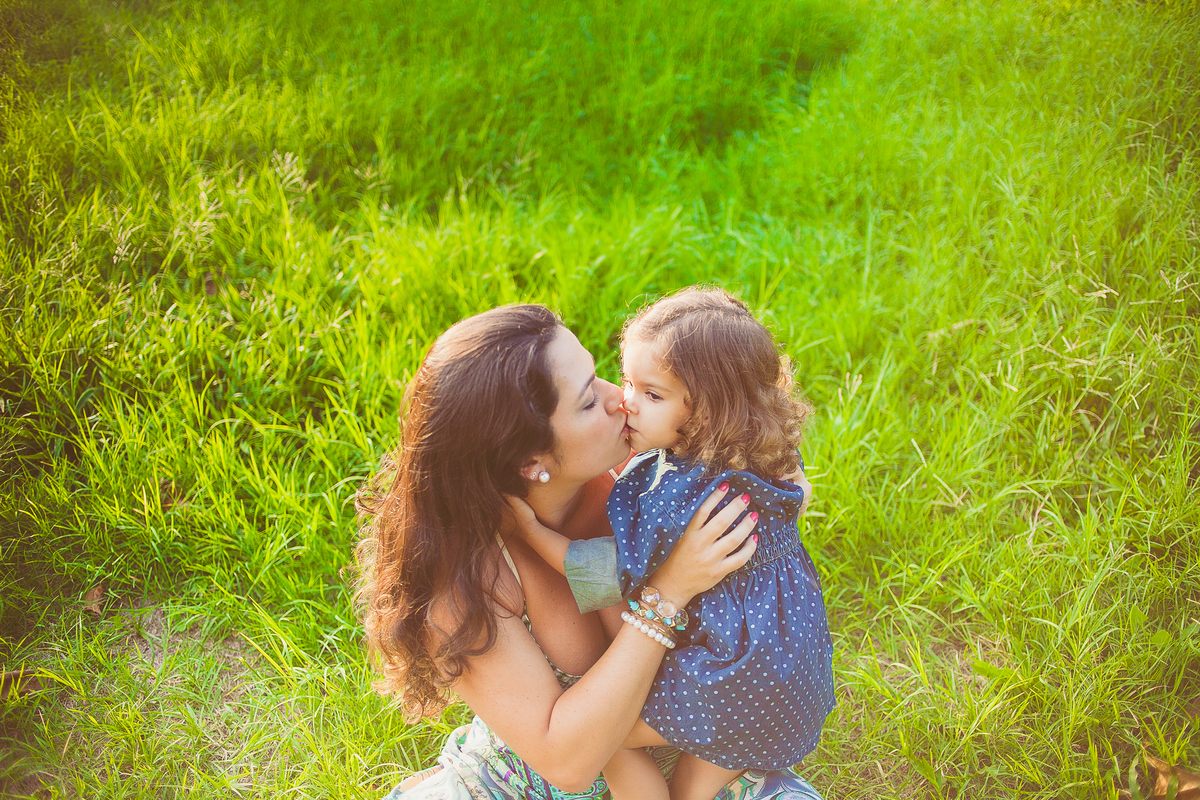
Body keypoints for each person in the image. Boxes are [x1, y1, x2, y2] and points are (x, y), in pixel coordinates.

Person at [355, 303, 826, 799]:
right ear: (528, 460)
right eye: (586, 402)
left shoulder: (652, 478)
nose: (618, 400)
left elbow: (766, 474)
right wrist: (668, 593)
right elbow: (569, 763)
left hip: (703, 758)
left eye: (601, 375)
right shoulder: (464, 581)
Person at [508, 288, 835, 800]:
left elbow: (604, 571)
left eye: (651, 395)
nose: (625, 401)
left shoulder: (678, 496)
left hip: (728, 684)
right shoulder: (760, 458)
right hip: (793, 677)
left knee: (608, 742)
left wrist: (533, 535)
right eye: (629, 380)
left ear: (708, 413)